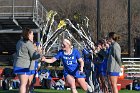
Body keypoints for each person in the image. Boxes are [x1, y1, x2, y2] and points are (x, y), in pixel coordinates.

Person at [13, 28, 42, 93]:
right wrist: (40, 53)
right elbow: (33, 57)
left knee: (25, 84)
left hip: (19, 64)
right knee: (23, 84)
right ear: (28, 34)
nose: (33, 35)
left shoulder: (19, 42)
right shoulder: (28, 43)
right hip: (24, 66)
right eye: (32, 34)